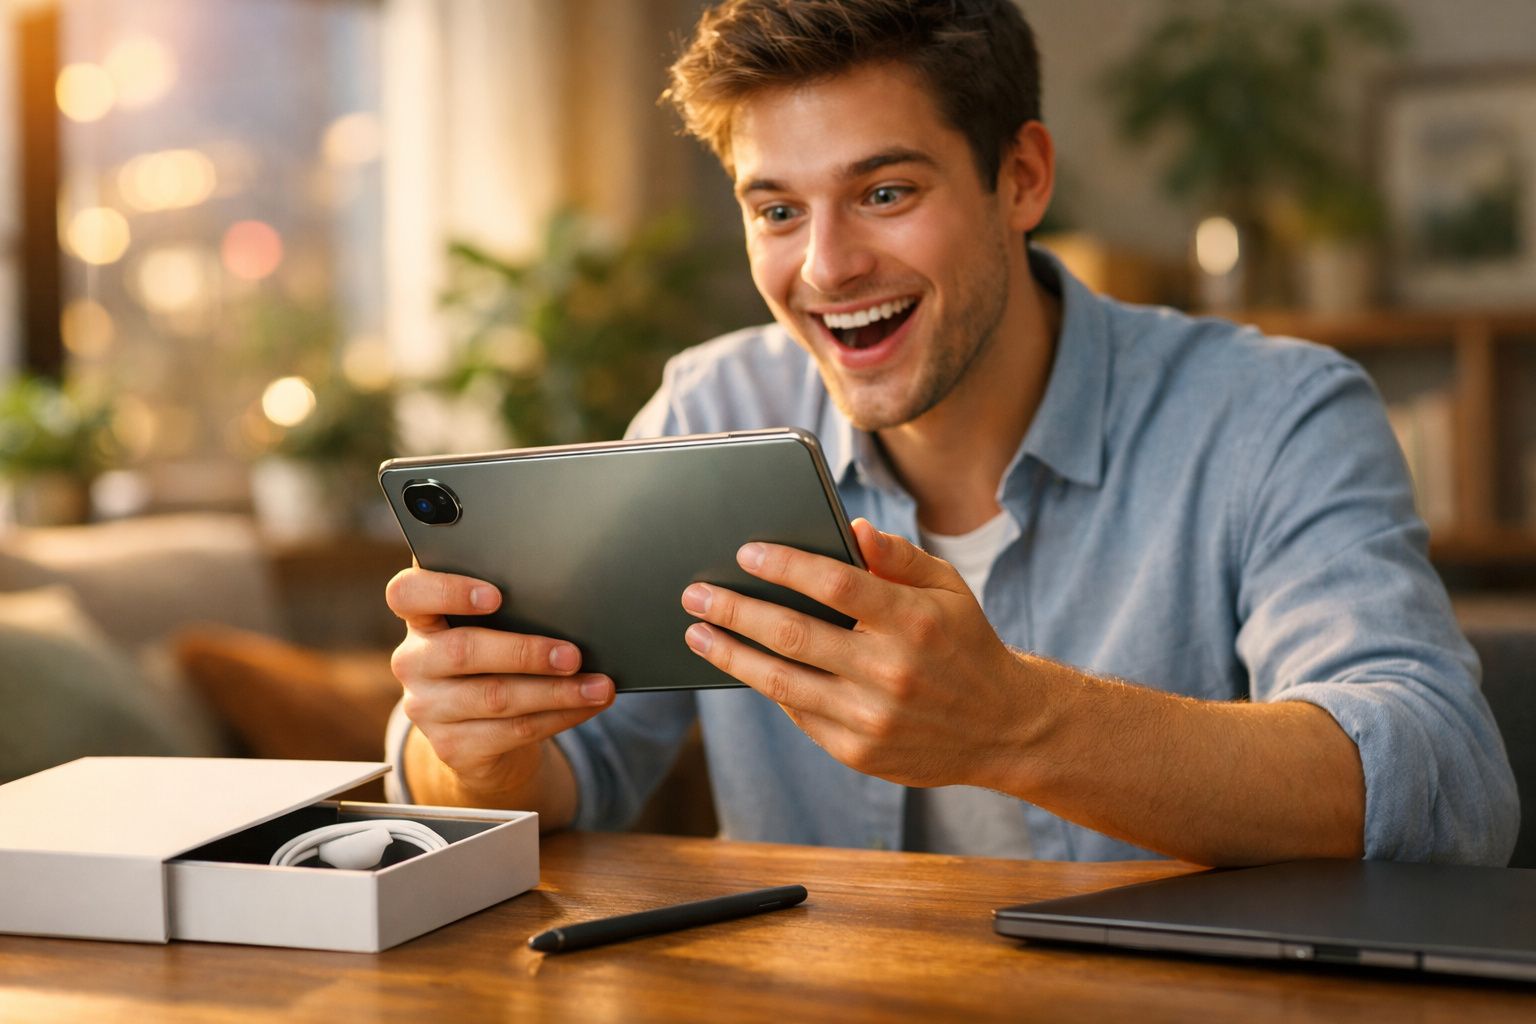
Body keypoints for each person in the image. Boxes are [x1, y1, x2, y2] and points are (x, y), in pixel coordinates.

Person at [383, 0, 1518, 866]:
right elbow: (568, 776)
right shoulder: (709, 413)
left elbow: (1447, 789)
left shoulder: (1276, 416)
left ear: (1020, 179)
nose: (825, 268)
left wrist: (1018, 723)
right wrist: (471, 749)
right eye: (776, 208)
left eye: (884, 192)